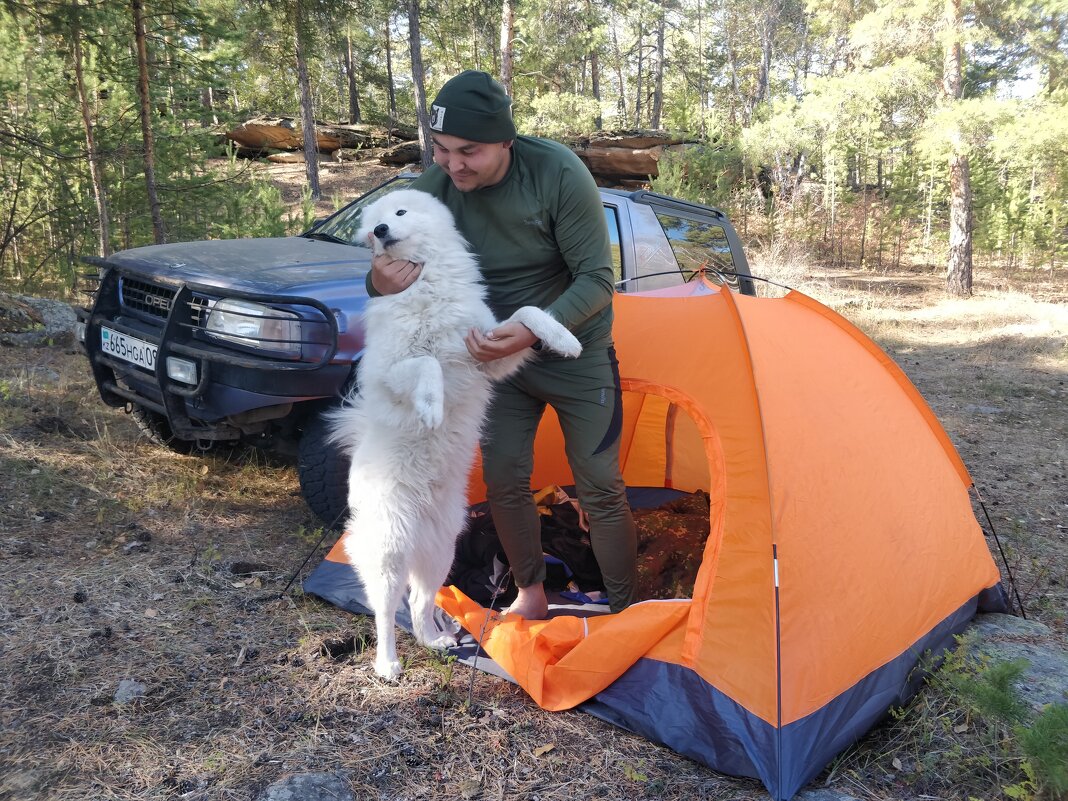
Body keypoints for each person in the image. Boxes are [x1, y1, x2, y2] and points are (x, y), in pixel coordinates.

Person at [366, 70, 636, 618]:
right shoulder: (430, 193)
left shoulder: (557, 173)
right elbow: (384, 268)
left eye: (470, 151)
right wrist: (378, 280)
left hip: (571, 352)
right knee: (504, 477)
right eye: (441, 149)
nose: (453, 164)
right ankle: (530, 595)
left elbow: (598, 279)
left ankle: (628, 612)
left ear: (507, 142)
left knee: (599, 483)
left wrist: (537, 327)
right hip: (490, 359)